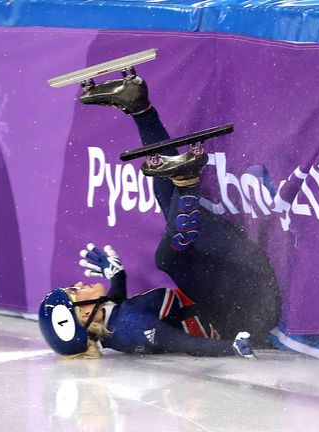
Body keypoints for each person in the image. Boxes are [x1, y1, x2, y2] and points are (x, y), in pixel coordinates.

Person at [39, 73, 281, 359]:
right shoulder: (132, 330)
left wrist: (117, 275)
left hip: (229, 289)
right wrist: (233, 348)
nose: (77, 284)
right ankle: (180, 174)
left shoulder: (114, 323)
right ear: (83, 317)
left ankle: (142, 111)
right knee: (167, 257)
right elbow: (185, 346)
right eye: (73, 293)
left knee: (170, 207)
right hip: (249, 307)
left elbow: (118, 304)